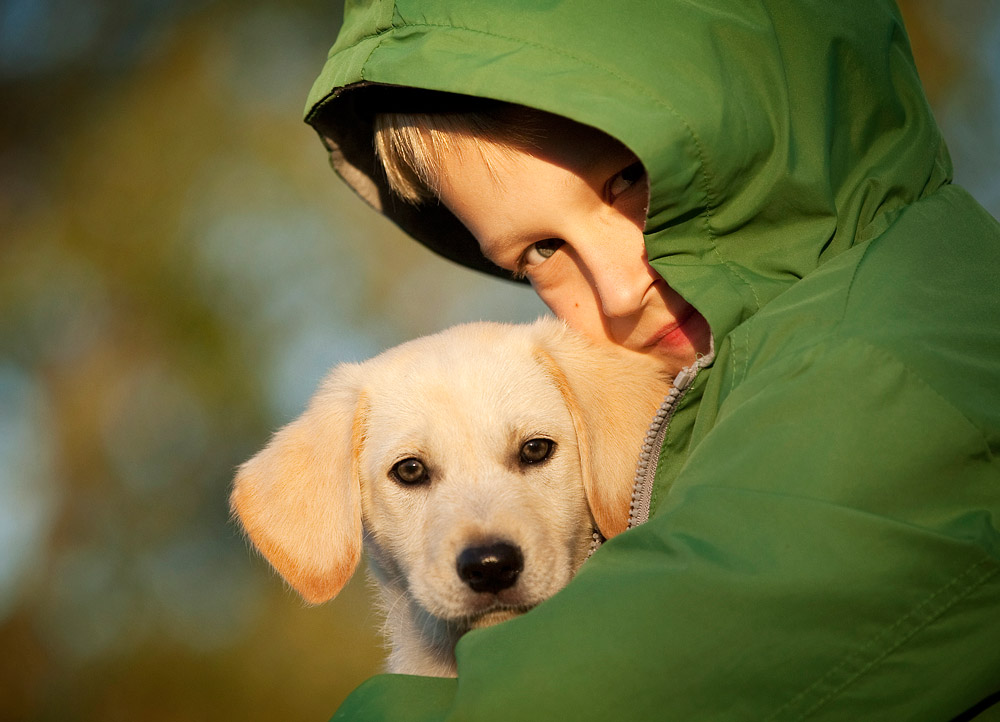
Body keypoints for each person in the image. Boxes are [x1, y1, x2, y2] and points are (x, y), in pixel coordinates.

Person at [303, 1, 1000, 719]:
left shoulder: (888, 355)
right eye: (542, 251)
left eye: (629, 181)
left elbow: (618, 692)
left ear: (759, 113)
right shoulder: (783, 362)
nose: (620, 287)